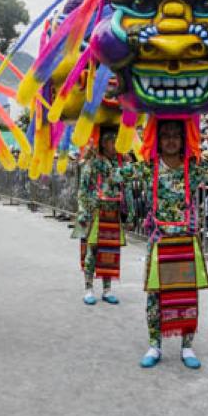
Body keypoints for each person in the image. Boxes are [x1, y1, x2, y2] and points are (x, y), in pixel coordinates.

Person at [140, 120, 208, 371]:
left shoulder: (193, 168)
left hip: (185, 242)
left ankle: (187, 346)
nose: (171, 140)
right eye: (165, 135)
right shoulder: (149, 168)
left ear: (184, 139)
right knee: (155, 295)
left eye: (176, 135)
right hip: (158, 242)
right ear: (158, 139)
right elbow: (117, 174)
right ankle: (155, 345)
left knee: (187, 296)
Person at [74, 128, 133, 306]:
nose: (114, 144)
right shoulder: (93, 162)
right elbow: (83, 188)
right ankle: (88, 288)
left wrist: (129, 213)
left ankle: (107, 289)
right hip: (95, 211)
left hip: (113, 212)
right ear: (103, 142)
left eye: (116, 140)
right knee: (92, 250)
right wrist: (83, 210)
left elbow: (127, 188)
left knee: (111, 251)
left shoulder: (121, 163)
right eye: (110, 140)